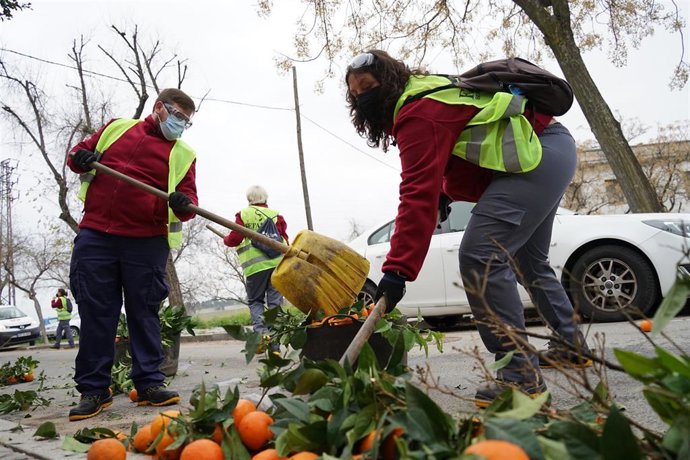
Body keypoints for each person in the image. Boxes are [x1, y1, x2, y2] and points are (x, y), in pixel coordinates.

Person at [345, 50, 590, 407]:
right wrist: (445, 193)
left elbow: (416, 195)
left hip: (538, 153)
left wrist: (397, 270)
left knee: (481, 255)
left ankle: (520, 379)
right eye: (355, 94)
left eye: (367, 87)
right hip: (549, 148)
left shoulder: (416, 112)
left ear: (389, 81)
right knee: (528, 263)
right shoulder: (424, 93)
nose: (362, 97)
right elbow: (466, 140)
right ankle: (571, 346)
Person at [66, 88, 199, 421]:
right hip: (97, 234)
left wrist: (182, 203)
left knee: (144, 312)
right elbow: (77, 155)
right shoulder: (116, 128)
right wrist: (80, 158)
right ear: (159, 108)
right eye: (178, 116)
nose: (181, 125)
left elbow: (188, 203)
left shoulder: (183, 154)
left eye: (187, 121)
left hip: (145, 240)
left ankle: (150, 384)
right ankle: (94, 390)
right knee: (97, 313)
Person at [224, 186, 288, 347]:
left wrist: (226, 240)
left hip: (255, 268)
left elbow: (235, 238)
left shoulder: (243, 214)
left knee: (256, 301)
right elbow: (285, 238)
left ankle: (260, 338)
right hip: (277, 266)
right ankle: (275, 346)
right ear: (266, 199)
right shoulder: (276, 215)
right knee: (275, 304)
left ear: (249, 199)